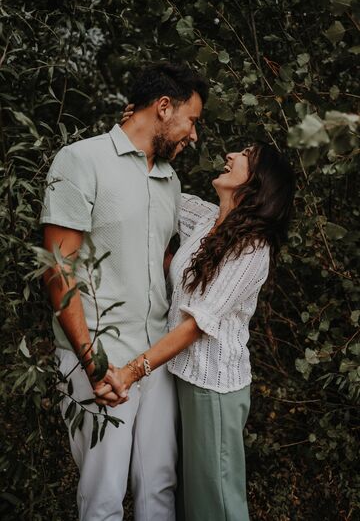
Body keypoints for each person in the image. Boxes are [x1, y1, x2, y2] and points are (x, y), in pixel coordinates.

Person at [40, 62, 209, 521]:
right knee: (104, 497)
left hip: (155, 359)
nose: (192, 135)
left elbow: (160, 261)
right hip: (98, 356)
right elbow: (58, 270)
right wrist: (94, 364)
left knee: (159, 489)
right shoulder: (81, 160)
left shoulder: (170, 180)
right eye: (191, 121)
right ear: (164, 107)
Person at [95, 143, 295, 521]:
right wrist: (142, 141)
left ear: (256, 182)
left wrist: (130, 371)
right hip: (184, 379)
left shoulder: (253, 248)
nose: (232, 155)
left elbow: (194, 327)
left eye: (245, 156)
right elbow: (158, 192)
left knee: (216, 505)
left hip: (214, 390)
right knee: (191, 501)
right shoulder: (207, 219)